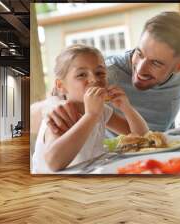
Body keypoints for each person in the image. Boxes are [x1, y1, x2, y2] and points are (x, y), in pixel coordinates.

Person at [45, 11, 180, 135]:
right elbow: (64, 88)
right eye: (140, 53)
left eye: (156, 63)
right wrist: (54, 108)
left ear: (179, 66)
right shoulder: (105, 74)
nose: (140, 69)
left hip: (167, 145)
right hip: (118, 156)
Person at [32, 44, 148, 173]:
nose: (94, 79)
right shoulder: (59, 113)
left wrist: (127, 107)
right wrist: (91, 115)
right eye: (81, 75)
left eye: (100, 73)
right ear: (61, 86)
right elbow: (54, 163)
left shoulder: (100, 109)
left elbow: (142, 136)